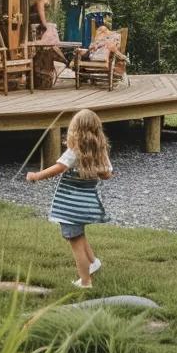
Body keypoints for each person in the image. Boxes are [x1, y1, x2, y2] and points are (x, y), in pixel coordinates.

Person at [25, 108, 112, 288]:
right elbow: (107, 174)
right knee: (79, 234)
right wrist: (92, 170)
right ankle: (93, 262)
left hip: (70, 208)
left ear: (76, 132)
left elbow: (57, 169)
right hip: (86, 205)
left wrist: (36, 176)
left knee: (75, 243)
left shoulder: (74, 152)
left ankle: (85, 282)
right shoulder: (100, 152)